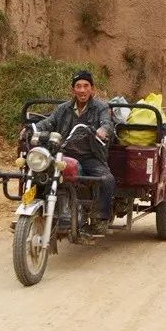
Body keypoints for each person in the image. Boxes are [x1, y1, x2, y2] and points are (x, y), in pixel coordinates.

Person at [30, 70, 116, 235]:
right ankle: (37, 212)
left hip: (90, 156)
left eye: (86, 86)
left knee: (106, 180)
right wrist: (32, 128)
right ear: (73, 90)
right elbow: (49, 122)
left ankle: (100, 218)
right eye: (78, 86)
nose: (82, 90)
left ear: (92, 89)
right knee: (37, 173)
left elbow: (107, 123)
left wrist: (103, 130)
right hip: (64, 154)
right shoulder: (63, 109)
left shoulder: (101, 107)